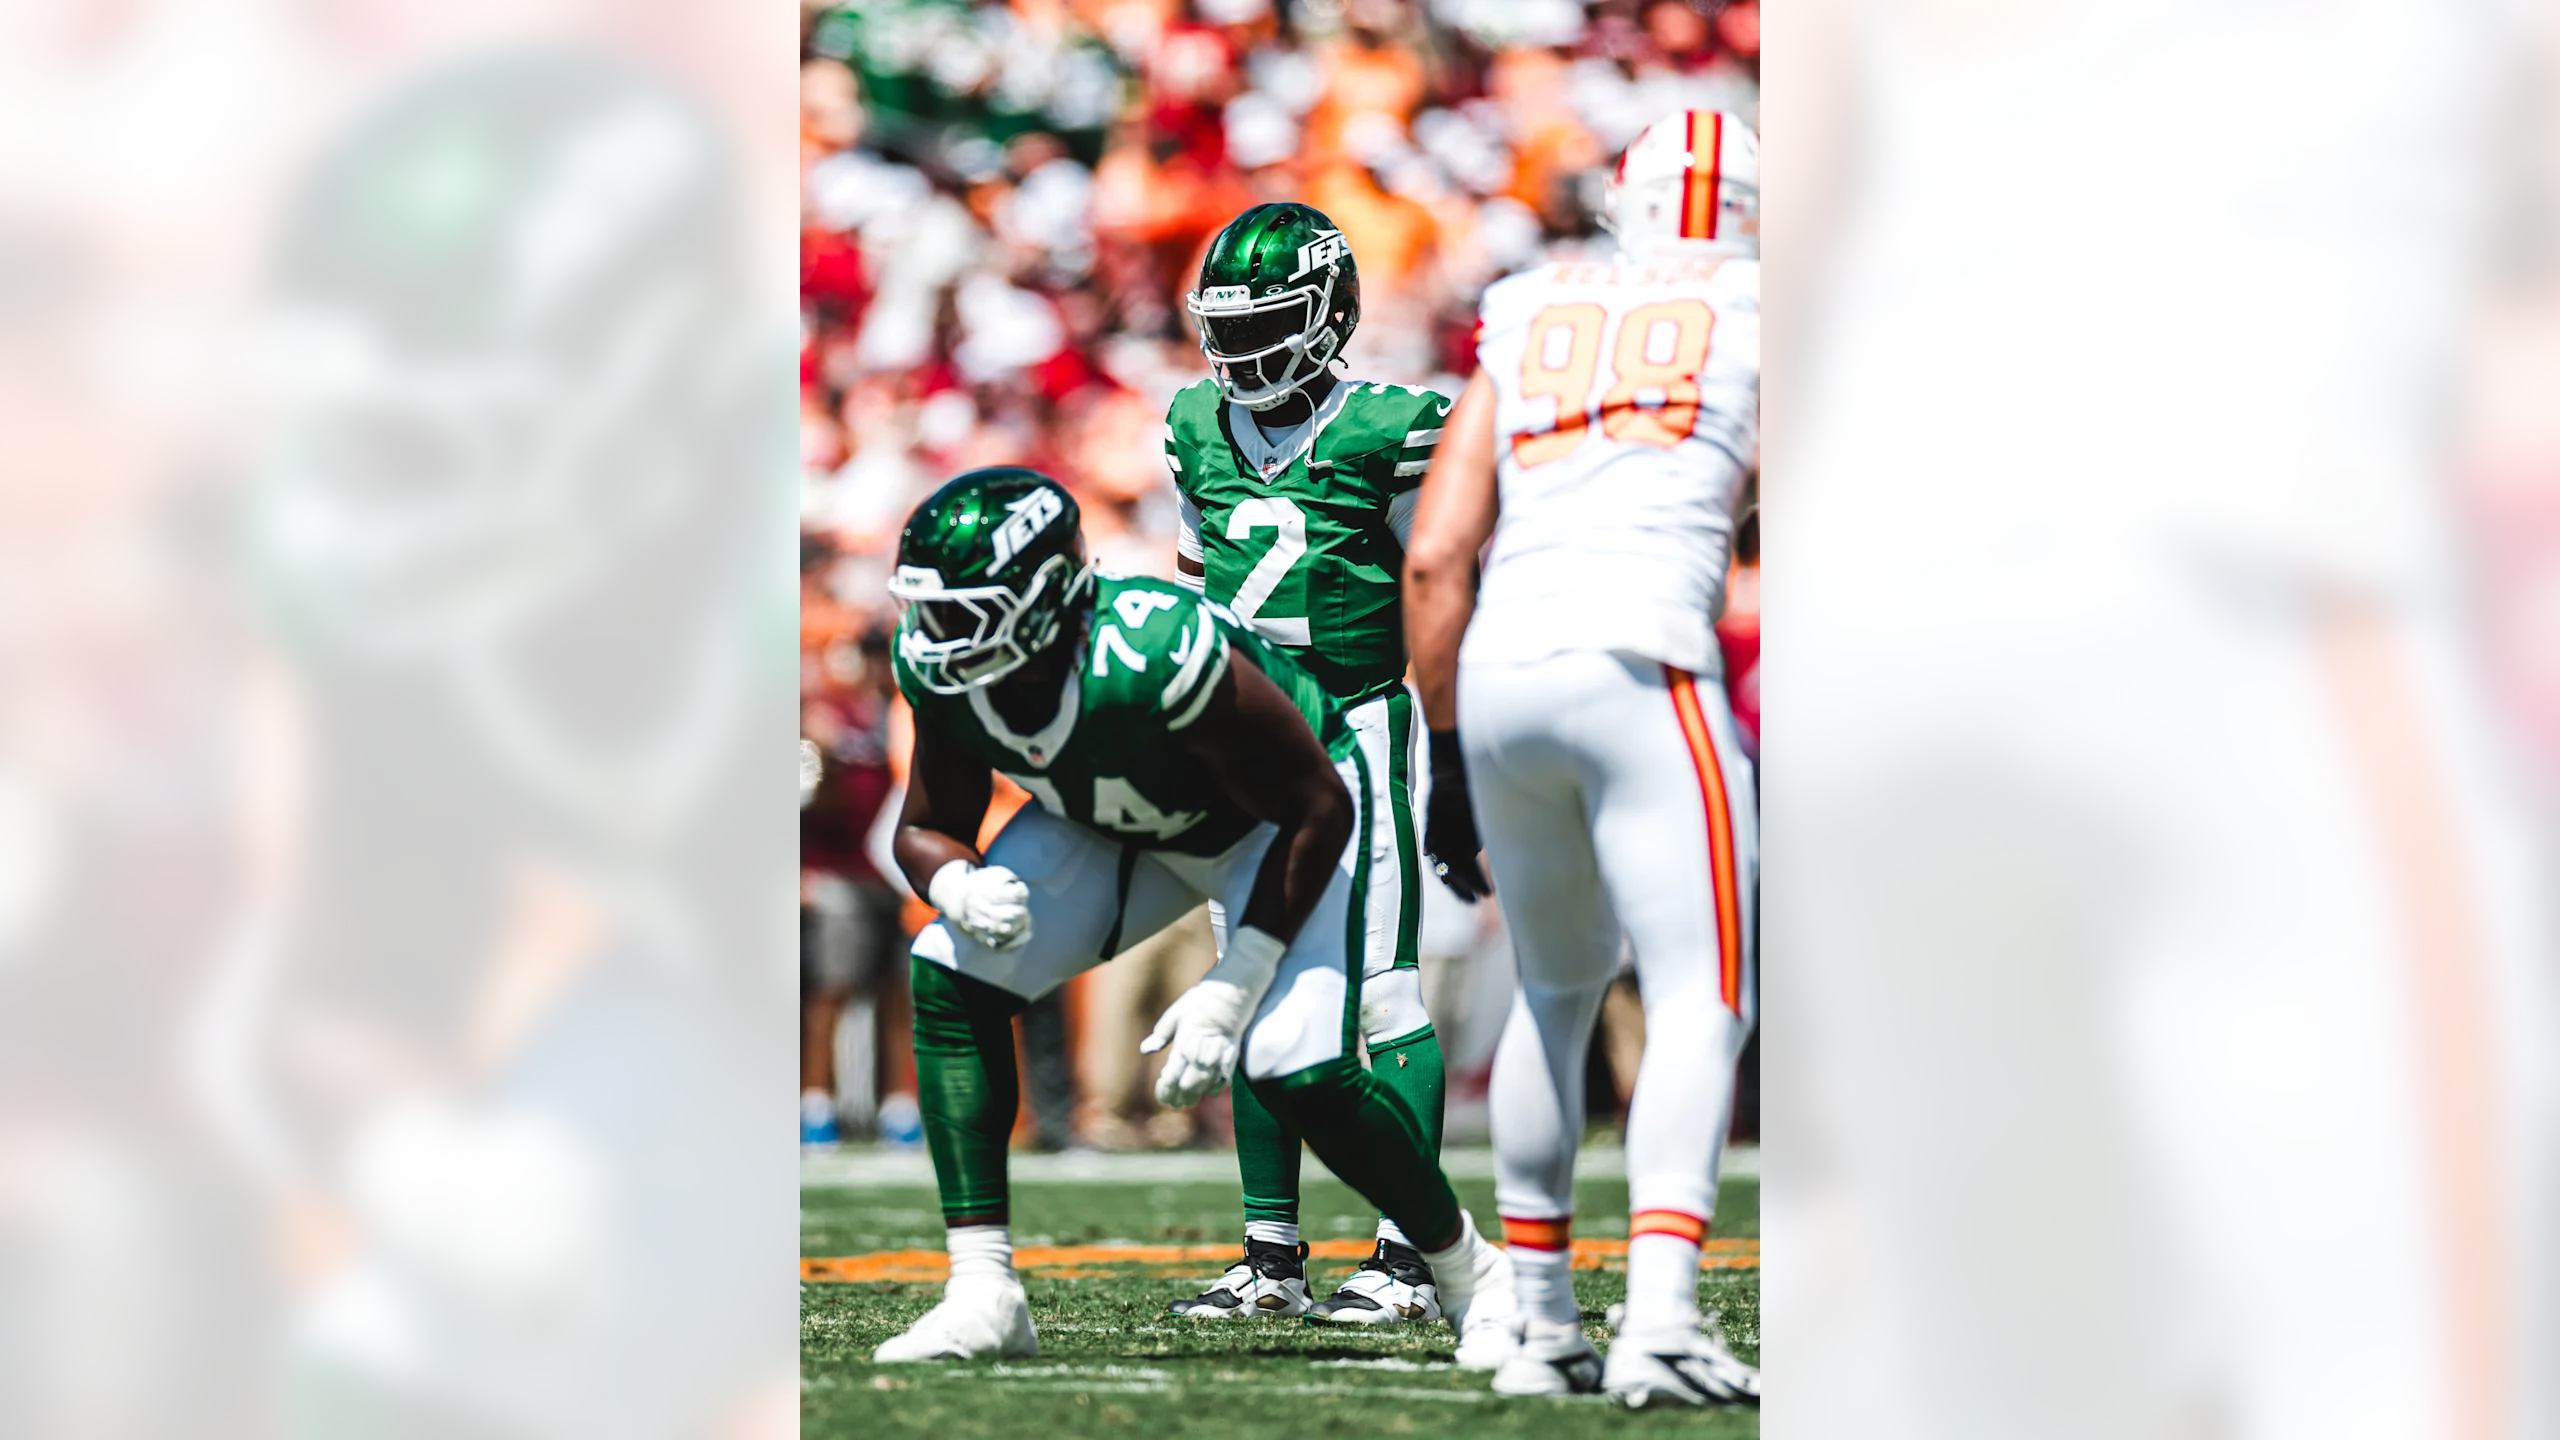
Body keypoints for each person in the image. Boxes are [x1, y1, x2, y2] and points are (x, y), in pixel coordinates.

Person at [1760, 0, 2548, 1432]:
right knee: (2403, 1388)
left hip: (1881, 596)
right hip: (2238, 571)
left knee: (2013, 1401)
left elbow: (1789, 239)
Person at [209, 49, 798, 1438]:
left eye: (430, 436)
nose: (375, 490)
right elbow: (351, 992)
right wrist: (422, 1161)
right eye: (356, 431)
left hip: (859, 988)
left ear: (654, 373)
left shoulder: (788, 559)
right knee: (406, 1382)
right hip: (723, 1005)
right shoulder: (355, 574)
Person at [870, 466, 1519, 1368]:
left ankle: (1472, 1273)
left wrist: (1236, 981)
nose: (937, 639)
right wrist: (952, 884)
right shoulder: (947, 670)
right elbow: (927, 828)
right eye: (929, 611)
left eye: (967, 613)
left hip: (1275, 820)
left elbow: (1317, 808)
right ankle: (984, 1290)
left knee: (1294, 1064)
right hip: (1116, 820)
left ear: (1048, 600)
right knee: (948, 970)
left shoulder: (1154, 653)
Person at [1403, 109, 1765, 1408]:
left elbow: (1439, 553)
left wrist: (1445, 755)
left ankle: (1537, 1320)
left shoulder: (1526, 301)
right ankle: (1662, 1312)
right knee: (1698, 996)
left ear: (1625, 203)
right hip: (1646, 657)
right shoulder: (1768, 304)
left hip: (1502, 665)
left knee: (1555, 993)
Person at [1164, 201, 1456, 1325]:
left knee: (1381, 993)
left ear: (1331, 312)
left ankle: (1406, 1258)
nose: (1241, 354)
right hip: (1238, 733)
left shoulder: (1393, 423)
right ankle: (1269, 1258)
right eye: (1227, 329)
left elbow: (1436, 586)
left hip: (1355, 723)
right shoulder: (1191, 420)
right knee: (1247, 984)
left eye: (1271, 324)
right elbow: (1196, 582)